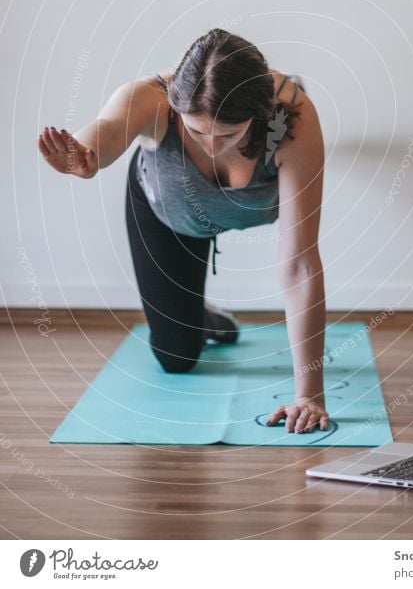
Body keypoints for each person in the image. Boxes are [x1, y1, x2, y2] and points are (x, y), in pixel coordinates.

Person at [37, 28, 329, 434]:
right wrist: (82, 155)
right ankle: (199, 315)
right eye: (196, 131)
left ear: (257, 116)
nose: (211, 146)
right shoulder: (152, 99)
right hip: (170, 211)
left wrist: (309, 395)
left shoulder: (292, 117)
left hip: (252, 207)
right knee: (176, 357)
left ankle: (190, 308)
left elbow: (299, 263)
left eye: (227, 134)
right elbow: (102, 131)